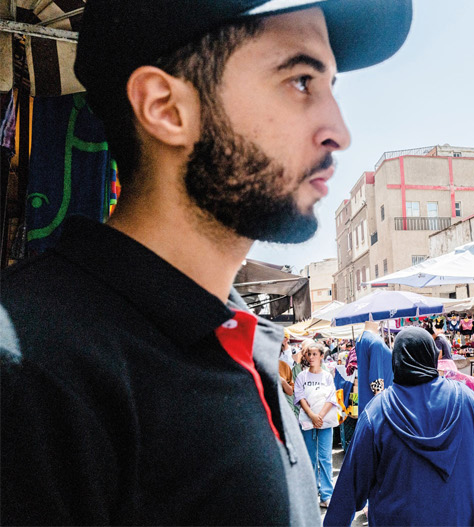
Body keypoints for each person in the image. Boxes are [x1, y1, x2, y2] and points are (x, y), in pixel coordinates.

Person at [0, 1, 410, 522]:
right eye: (302, 81)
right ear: (167, 108)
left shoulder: (250, 345)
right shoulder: (31, 376)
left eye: (333, 87)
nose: (339, 131)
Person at [325, 327, 474, 525]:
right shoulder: (467, 401)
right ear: (431, 356)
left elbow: (350, 485)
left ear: (396, 360)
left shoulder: (377, 413)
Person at [295, 342, 340, 507]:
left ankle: (326, 495)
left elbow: (331, 398)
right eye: (310, 354)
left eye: (315, 354)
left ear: (322, 356)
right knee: (310, 459)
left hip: (325, 423)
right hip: (308, 422)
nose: (312, 357)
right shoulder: (301, 376)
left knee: (325, 458)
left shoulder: (327, 376)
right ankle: (311, 493)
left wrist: (319, 416)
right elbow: (300, 398)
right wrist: (312, 416)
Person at [354, 322, 396, 417]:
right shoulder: (375, 342)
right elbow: (376, 381)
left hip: (367, 403)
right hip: (379, 406)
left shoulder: (361, 339)